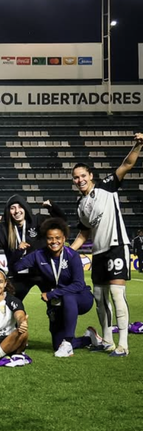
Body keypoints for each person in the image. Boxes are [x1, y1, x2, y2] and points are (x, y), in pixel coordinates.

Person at [70, 132, 143, 357]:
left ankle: (123, 345)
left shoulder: (107, 186)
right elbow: (83, 235)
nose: (79, 179)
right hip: (98, 252)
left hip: (117, 246)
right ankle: (107, 341)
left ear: (90, 175)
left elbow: (127, 164)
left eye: (83, 175)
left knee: (116, 293)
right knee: (100, 298)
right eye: (75, 177)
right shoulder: (80, 205)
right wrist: (67, 253)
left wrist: (139, 145)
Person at [13, 218, 101, 357]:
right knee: (56, 344)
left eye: (58, 238)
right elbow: (17, 267)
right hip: (58, 303)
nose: (54, 242)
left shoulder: (73, 256)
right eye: (50, 238)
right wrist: (19, 251)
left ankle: (67, 342)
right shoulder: (39, 255)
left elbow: (78, 284)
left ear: (64, 238)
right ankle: (88, 338)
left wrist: (52, 294)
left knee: (67, 296)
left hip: (81, 298)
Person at [0, 195, 65, 301]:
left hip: (42, 272)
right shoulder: (4, 229)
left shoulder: (38, 221)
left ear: (25, 208)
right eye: (13, 208)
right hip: (18, 275)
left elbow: (62, 222)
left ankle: (54, 316)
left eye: (20, 207)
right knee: (10, 304)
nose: (17, 211)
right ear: (8, 211)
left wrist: (52, 208)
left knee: (56, 304)